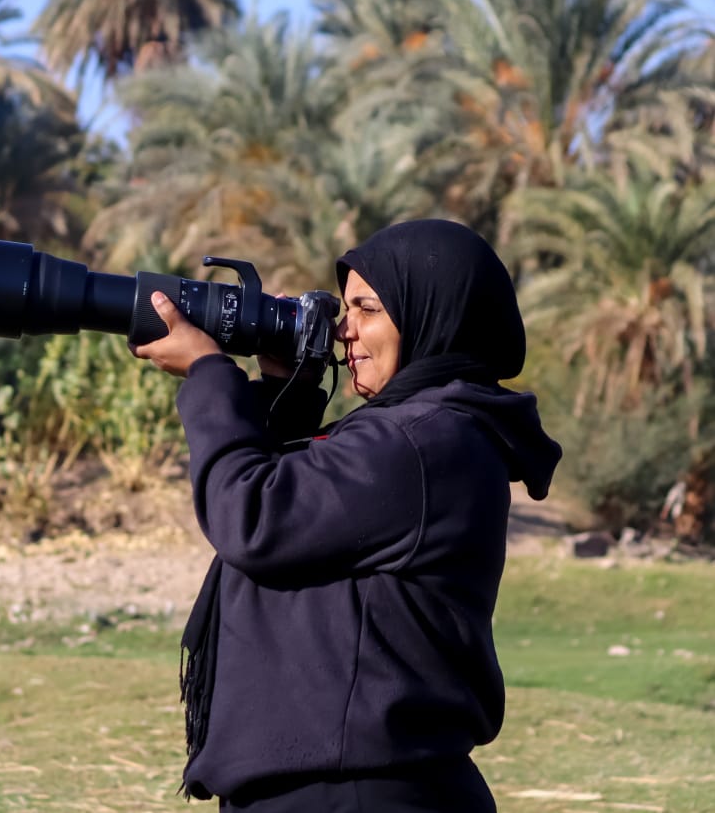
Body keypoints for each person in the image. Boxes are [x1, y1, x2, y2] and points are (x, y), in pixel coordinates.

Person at [131, 219, 563, 811]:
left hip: (358, 791)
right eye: (345, 309)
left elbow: (254, 516)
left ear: (430, 315)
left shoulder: (420, 441)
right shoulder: (423, 433)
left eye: (368, 309)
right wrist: (287, 386)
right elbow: (296, 502)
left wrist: (210, 375)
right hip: (342, 784)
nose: (343, 329)